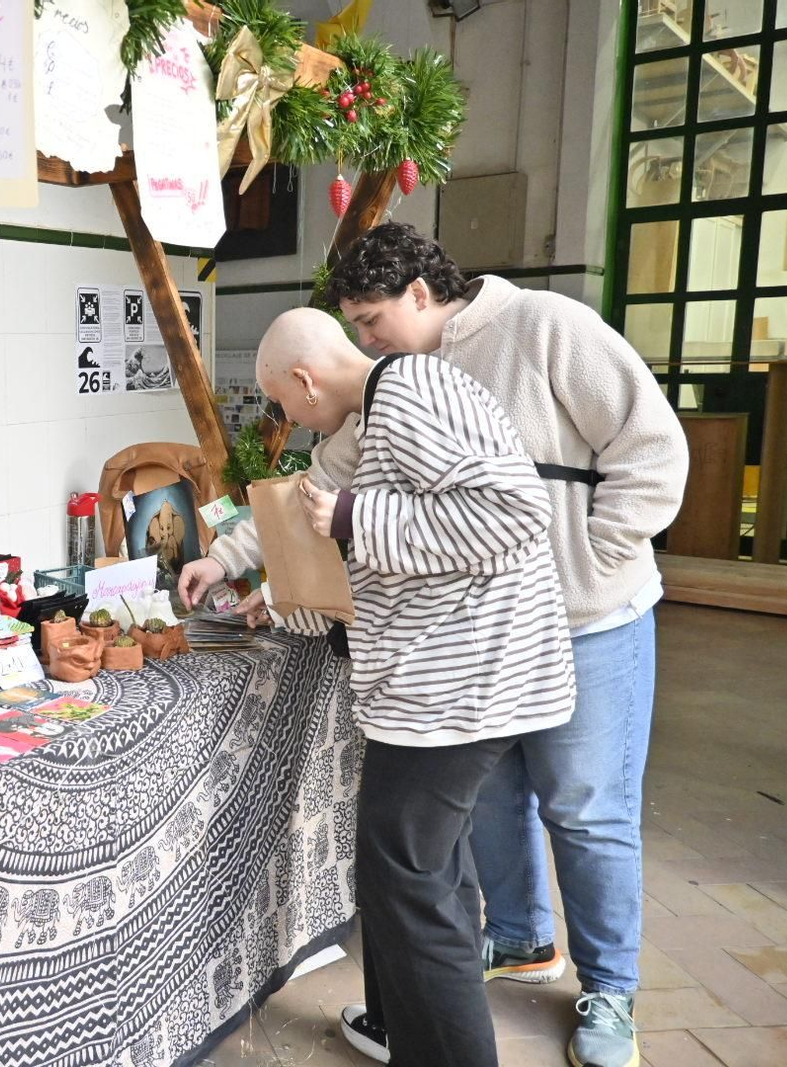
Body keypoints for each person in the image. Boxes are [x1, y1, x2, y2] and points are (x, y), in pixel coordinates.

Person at [315, 223, 685, 1067]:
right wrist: (233, 555)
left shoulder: (548, 327)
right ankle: (518, 940)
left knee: (586, 810)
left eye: (372, 320)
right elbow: (331, 472)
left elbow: (654, 446)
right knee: (489, 803)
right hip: (488, 642)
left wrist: (593, 559)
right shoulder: (396, 380)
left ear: (419, 290)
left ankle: (611, 988)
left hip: (592, 619)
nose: (364, 340)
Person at [185, 308, 578, 1066]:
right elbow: (309, 501)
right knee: (431, 873)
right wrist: (248, 566)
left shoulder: (409, 391)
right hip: (452, 688)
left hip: (458, 693)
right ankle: (404, 1024)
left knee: (408, 882)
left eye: (285, 402)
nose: (289, 420)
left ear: (305, 379)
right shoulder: (370, 414)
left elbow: (513, 511)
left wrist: (355, 516)